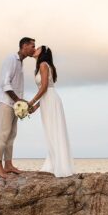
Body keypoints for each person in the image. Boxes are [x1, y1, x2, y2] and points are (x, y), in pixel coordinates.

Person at [27, 45, 74, 177]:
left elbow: (45, 87)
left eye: (38, 48)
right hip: (47, 99)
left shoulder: (43, 64)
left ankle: (59, 165)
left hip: (51, 100)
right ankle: (54, 162)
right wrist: (35, 107)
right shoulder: (43, 65)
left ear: (43, 53)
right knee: (51, 131)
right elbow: (43, 91)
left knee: (54, 130)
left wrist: (31, 102)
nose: (35, 49)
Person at [0, 37, 36, 178]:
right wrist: (18, 101)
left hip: (14, 103)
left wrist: (19, 103)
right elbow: (5, 83)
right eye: (32, 46)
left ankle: (8, 164)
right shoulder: (11, 59)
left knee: (12, 134)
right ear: (24, 46)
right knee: (3, 133)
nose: (34, 49)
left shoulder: (21, 63)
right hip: (5, 102)